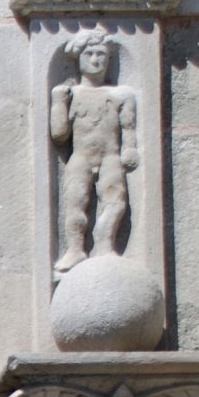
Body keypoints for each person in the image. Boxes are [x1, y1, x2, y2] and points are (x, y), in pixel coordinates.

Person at [50, 31, 139, 275]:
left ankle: (105, 244)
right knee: (75, 202)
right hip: (80, 157)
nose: (96, 60)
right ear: (78, 58)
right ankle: (75, 248)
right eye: (89, 54)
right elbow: (59, 135)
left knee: (115, 200)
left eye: (102, 55)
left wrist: (130, 147)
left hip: (111, 156)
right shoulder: (71, 95)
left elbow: (128, 126)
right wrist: (58, 102)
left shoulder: (121, 95)